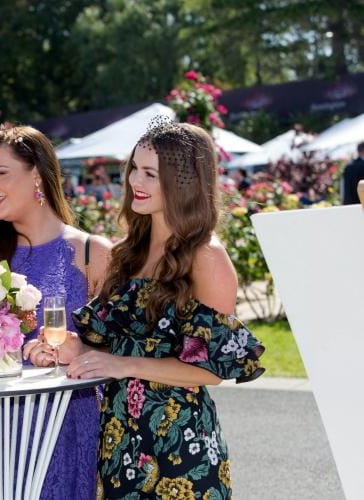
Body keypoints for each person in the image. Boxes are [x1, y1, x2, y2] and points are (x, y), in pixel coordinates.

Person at [62, 121, 265, 498]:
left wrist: (125, 365)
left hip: (180, 447)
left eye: (150, 174)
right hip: (119, 440)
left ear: (182, 181)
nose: (135, 181)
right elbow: (116, 349)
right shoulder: (128, 252)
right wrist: (78, 349)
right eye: (134, 168)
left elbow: (210, 371)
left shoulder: (206, 257)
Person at [0, 125, 113, 499]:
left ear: (36, 173)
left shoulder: (91, 253)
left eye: (1, 174)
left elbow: (119, 351)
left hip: (60, 426)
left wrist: (77, 350)